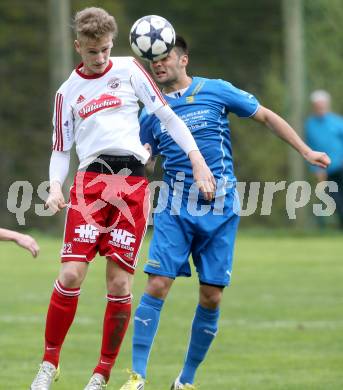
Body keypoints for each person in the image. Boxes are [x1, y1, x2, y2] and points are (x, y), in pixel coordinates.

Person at [120, 36, 330, 390]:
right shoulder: (152, 111)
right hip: (175, 205)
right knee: (157, 283)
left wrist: (306, 151)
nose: (158, 64)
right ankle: (137, 376)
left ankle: (185, 381)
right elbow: (147, 157)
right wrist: (140, 159)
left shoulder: (214, 90)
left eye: (165, 56)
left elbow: (264, 116)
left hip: (221, 207)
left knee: (212, 295)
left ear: (183, 59)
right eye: (151, 59)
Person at [30, 10, 215, 390]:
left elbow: (165, 115)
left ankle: (102, 373)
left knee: (119, 286)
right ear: (78, 46)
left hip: (132, 186)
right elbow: (61, 150)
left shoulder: (130, 69)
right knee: (70, 274)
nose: (101, 58)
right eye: (93, 51)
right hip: (90, 184)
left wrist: (196, 158)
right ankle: (49, 364)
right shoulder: (67, 92)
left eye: (106, 50)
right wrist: (53, 186)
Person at [305, 89, 343, 228]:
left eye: (322, 104)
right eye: (317, 104)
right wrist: (315, 168)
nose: (320, 107)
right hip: (326, 170)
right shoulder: (310, 125)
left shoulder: (338, 122)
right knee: (335, 199)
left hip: (341, 166)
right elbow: (310, 147)